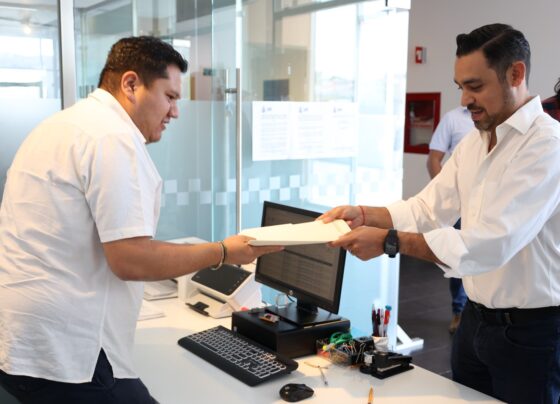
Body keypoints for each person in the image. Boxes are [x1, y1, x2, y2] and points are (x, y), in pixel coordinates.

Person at [0, 36, 281, 403]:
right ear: (131, 84)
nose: (175, 112)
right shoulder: (112, 138)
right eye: (170, 97)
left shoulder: (63, 125)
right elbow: (131, 260)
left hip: (21, 339)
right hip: (67, 352)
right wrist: (224, 252)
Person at [320, 24, 560, 404]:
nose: (464, 100)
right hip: (475, 321)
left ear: (516, 74)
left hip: (532, 334)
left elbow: (488, 245)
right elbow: (427, 207)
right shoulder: (474, 143)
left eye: (475, 86)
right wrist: (365, 214)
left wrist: (389, 242)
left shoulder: (547, 145)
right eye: (460, 87)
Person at [427, 106, 474, 334]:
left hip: (490, 205)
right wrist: (448, 195)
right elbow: (433, 159)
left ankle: (479, 314)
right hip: (461, 205)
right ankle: (459, 311)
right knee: (459, 258)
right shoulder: (453, 119)